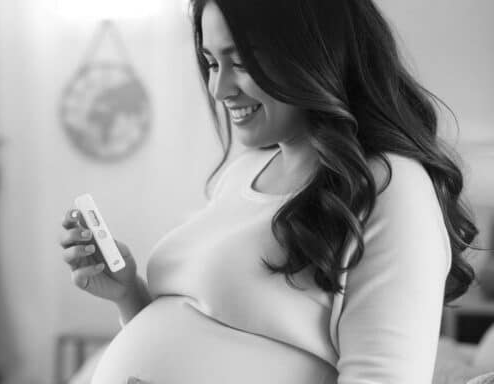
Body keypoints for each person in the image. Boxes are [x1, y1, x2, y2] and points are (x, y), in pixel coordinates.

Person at [58, 0, 479, 382]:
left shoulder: (389, 187)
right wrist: (127, 292)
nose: (219, 89)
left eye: (240, 63)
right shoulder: (244, 172)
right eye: (210, 62)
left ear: (315, 57)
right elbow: (196, 329)